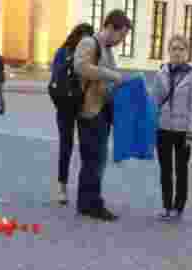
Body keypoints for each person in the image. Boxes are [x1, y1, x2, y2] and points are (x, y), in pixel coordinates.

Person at [73, 9, 131, 221]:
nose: (121, 41)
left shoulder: (107, 49)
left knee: (95, 159)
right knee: (94, 159)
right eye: (121, 36)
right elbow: (80, 66)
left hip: (102, 109)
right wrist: (111, 75)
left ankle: (86, 202)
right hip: (89, 110)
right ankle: (92, 203)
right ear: (110, 27)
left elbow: (109, 80)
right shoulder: (89, 42)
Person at [151, 34, 192, 220]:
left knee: (181, 170)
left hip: (182, 130)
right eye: (174, 49)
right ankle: (166, 206)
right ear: (169, 51)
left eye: (181, 49)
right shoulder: (161, 73)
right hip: (163, 128)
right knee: (165, 169)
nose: (177, 52)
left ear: (187, 52)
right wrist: (151, 124)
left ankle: (178, 207)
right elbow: (154, 101)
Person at [49, 23, 94, 206]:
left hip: (70, 105)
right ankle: (67, 187)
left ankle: (65, 189)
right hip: (74, 104)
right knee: (76, 147)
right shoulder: (71, 53)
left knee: (71, 146)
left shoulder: (62, 52)